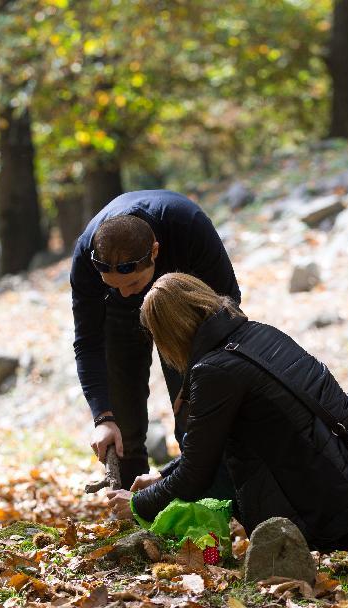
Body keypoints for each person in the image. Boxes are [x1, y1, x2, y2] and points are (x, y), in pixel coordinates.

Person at [107, 273, 348, 577]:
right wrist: (161, 477)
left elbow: (195, 475)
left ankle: (303, 543)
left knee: (220, 478)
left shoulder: (214, 370)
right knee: (232, 455)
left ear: (170, 333)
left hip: (315, 494)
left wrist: (137, 504)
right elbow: (207, 447)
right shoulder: (258, 333)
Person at [70, 190, 240, 489]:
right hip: (117, 318)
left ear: (155, 252)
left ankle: (204, 500)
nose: (125, 292)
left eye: (132, 282)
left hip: (182, 312)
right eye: (113, 285)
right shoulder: (86, 256)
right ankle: (132, 506)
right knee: (123, 425)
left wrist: (196, 379)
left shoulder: (188, 226)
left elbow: (228, 305)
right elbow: (87, 341)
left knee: (193, 416)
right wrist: (102, 417)